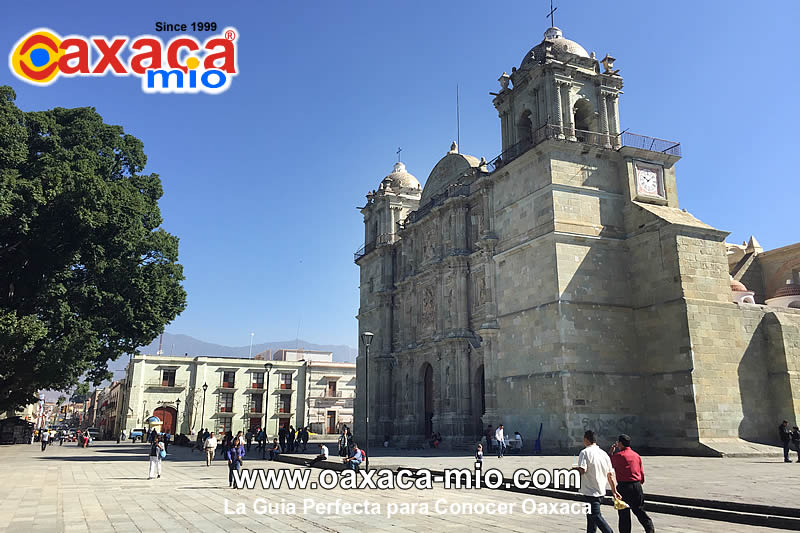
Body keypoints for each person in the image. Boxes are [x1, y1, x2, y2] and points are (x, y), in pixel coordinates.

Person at [575, 430, 620, 533]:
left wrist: (574, 470)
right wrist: (614, 490)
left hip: (590, 491)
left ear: (586, 439)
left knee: (595, 516)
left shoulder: (585, 452)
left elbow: (582, 469)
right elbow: (611, 474)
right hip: (601, 491)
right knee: (591, 518)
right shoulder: (604, 454)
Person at [609, 434, 655, 533]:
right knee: (639, 510)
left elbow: (609, 465)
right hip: (636, 485)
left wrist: (611, 453)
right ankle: (650, 529)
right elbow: (641, 473)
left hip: (623, 487)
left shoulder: (618, 456)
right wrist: (639, 483)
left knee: (624, 514)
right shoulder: (636, 455)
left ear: (620, 443)